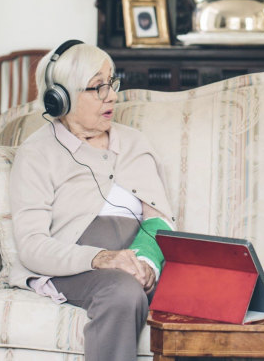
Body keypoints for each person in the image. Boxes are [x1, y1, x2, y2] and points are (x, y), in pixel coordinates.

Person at [9, 40, 175, 361]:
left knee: (217, 290)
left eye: (112, 82)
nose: (112, 95)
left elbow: (159, 219)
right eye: (97, 87)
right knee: (122, 292)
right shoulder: (37, 153)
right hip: (75, 267)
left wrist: (147, 263)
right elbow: (31, 245)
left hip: (135, 264)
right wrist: (102, 258)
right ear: (62, 98)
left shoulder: (134, 142)